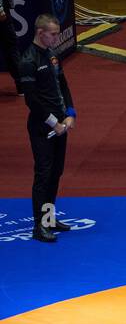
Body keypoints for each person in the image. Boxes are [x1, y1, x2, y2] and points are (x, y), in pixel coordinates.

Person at [18, 14, 75, 243]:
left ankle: (50, 218)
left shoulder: (53, 55)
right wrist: (55, 122)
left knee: (56, 172)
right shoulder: (28, 60)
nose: (55, 38)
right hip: (43, 127)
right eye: (52, 34)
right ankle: (38, 226)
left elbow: (63, 84)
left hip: (61, 123)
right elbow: (31, 100)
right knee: (43, 174)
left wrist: (70, 113)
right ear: (40, 33)